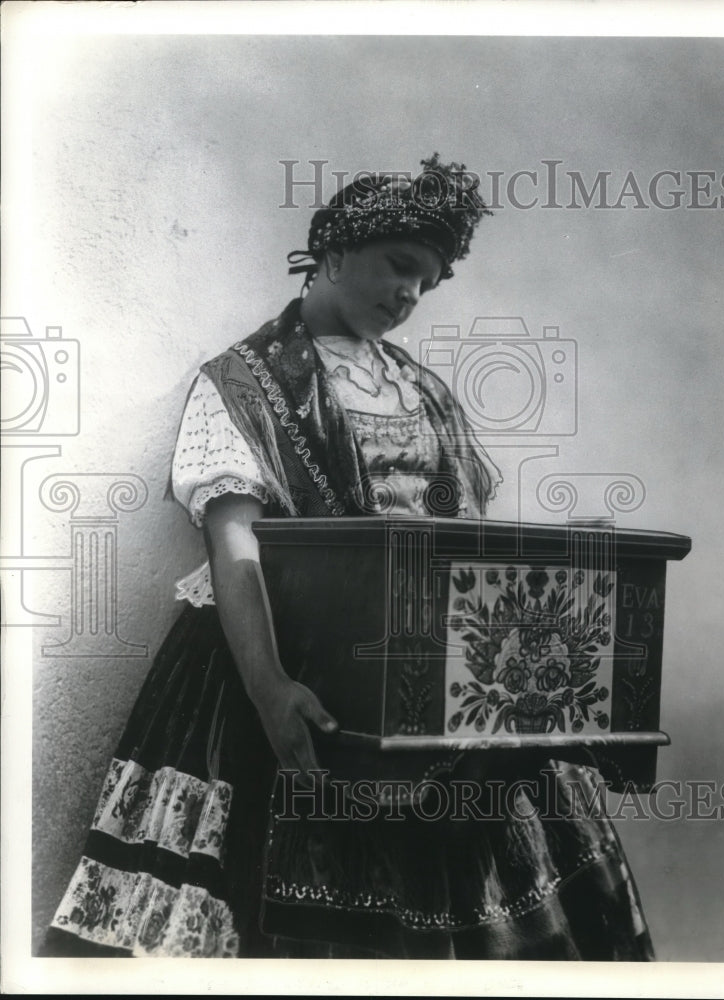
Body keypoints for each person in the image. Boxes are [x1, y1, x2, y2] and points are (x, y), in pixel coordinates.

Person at [42, 155, 654, 960]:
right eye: (399, 266)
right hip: (286, 649)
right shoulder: (243, 381)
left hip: (418, 663)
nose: (408, 294)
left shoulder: (420, 388)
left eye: (425, 283)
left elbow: (456, 537)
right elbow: (234, 541)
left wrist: (551, 579)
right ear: (333, 252)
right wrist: (268, 688)